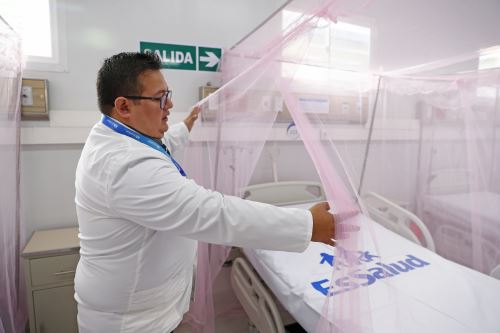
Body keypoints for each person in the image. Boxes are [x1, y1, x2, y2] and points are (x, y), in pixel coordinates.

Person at [74, 52, 344, 333]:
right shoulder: (124, 165)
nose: (170, 104)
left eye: (169, 94)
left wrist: (186, 124)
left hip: (146, 308)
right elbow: (214, 213)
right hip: (131, 322)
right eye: (160, 98)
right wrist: (308, 225)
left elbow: (162, 144)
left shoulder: (122, 136)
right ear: (124, 106)